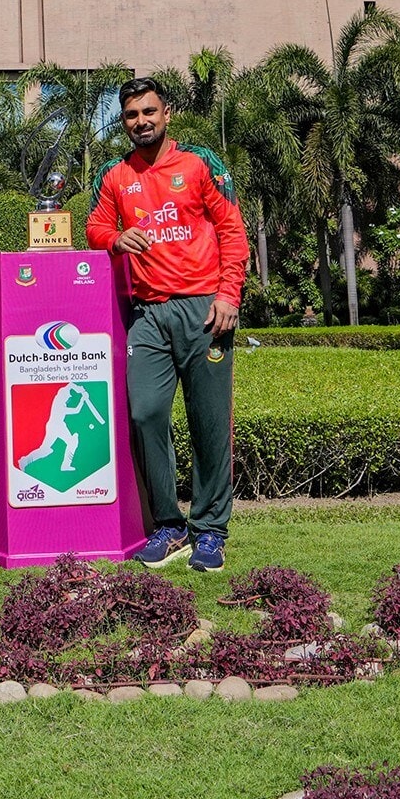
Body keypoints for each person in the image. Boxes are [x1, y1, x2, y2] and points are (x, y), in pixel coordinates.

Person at [86, 77, 249, 572]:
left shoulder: (198, 165)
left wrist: (228, 294)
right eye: (132, 115)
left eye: (149, 111)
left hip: (204, 309)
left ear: (167, 113)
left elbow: (232, 230)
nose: (141, 121)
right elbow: (95, 226)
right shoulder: (116, 176)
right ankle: (168, 524)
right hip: (148, 315)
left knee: (209, 422)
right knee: (145, 414)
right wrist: (115, 239)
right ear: (123, 121)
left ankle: (210, 530)